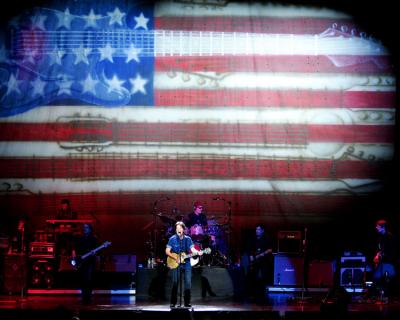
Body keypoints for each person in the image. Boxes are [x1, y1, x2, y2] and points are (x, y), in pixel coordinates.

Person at [165, 221, 202, 308]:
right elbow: (167, 251)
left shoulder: (188, 239)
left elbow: (192, 249)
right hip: (176, 263)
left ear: (183, 229)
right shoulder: (172, 239)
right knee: (175, 282)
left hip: (186, 263)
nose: (178, 230)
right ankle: (173, 302)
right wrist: (175, 258)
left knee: (188, 283)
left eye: (180, 228)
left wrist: (198, 252)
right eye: (177, 228)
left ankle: (187, 302)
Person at [243, 224, 273, 302]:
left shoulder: (267, 238)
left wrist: (262, 254)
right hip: (255, 261)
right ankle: (253, 294)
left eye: (259, 230)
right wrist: (250, 256)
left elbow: (270, 249)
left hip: (264, 261)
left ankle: (263, 294)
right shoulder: (253, 239)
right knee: (253, 276)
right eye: (256, 229)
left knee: (263, 277)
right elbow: (249, 249)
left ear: (262, 230)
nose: (257, 231)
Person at [369, 219, 398, 300]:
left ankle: (375, 296)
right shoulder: (380, 237)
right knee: (380, 278)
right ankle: (381, 296)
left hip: (389, 262)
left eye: (378, 226)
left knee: (380, 278)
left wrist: (381, 255)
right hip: (383, 261)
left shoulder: (390, 236)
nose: (376, 227)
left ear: (383, 227)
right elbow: (380, 249)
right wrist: (377, 255)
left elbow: (392, 250)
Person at [71, 223, 98, 304]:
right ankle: (83, 297)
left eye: (86, 227)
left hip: (89, 261)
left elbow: (96, 250)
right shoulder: (80, 238)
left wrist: (94, 253)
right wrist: (74, 259)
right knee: (82, 279)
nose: (84, 229)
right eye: (84, 227)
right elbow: (74, 249)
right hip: (81, 261)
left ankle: (88, 297)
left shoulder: (93, 239)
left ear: (90, 229)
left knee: (88, 279)